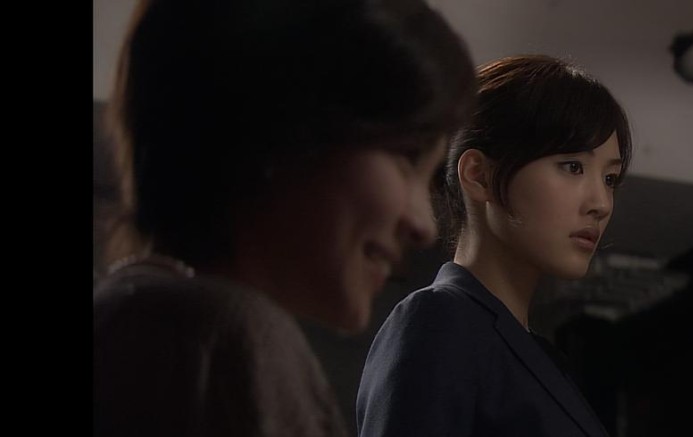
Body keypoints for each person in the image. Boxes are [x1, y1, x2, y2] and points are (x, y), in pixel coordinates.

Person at [92, 0, 476, 435]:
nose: (424, 225)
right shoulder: (219, 340)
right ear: (279, 124)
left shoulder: (140, 319)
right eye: (407, 157)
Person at [356, 54, 632, 437]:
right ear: (479, 175)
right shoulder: (439, 322)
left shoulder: (541, 357)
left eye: (610, 179)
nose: (601, 203)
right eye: (573, 166)